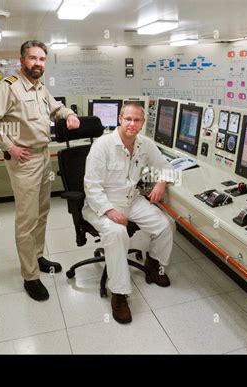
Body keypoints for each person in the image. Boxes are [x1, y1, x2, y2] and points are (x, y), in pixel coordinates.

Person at [0, 40, 80, 301]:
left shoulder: (39, 86)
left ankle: (38, 256)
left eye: (42, 59)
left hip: (43, 156)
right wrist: (9, 146)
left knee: (42, 212)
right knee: (27, 219)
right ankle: (30, 276)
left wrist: (69, 114)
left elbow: (55, 108)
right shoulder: (9, 87)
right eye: (33, 59)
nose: (38, 63)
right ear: (22, 60)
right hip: (24, 160)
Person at [84, 102, 175, 324]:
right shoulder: (102, 146)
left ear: (143, 123)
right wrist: (110, 211)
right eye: (128, 119)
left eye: (137, 120)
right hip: (102, 204)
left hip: (131, 200)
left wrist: (161, 182)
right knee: (117, 234)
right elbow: (91, 186)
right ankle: (119, 294)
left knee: (166, 224)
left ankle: (153, 264)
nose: (132, 124)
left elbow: (167, 167)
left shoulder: (145, 144)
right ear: (120, 119)